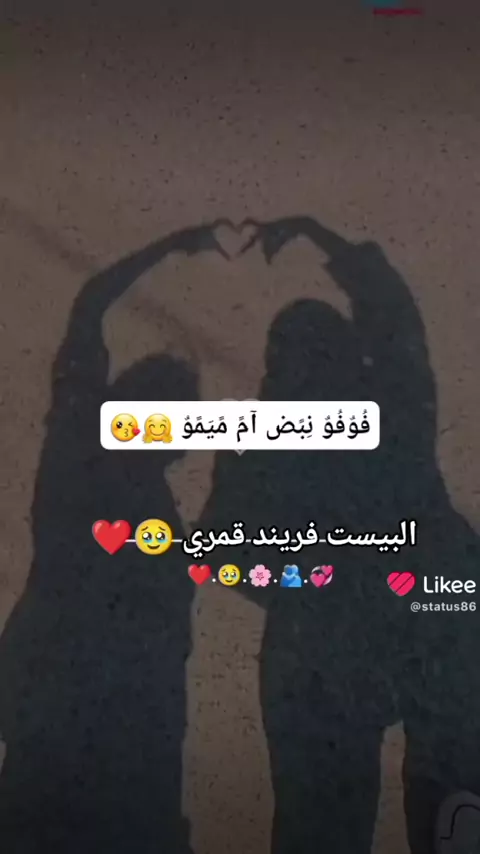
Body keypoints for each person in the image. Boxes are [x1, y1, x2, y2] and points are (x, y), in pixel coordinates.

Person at [200, 217, 480, 854]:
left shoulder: (252, 440)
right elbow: (394, 314)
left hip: (321, 652)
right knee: (457, 778)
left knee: (319, 822)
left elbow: (221, 552)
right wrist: (314, 234)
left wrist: (305, 580)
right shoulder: (392, 403)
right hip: (431, 616)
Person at [0, 223, 230, 853]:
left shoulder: (74, 447)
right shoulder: (123, 488)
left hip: (57, 713)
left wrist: (167, 246)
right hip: (130, 739)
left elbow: (90, 305)